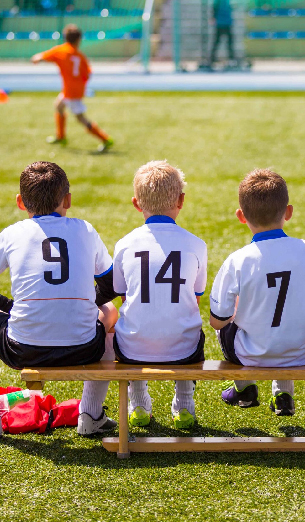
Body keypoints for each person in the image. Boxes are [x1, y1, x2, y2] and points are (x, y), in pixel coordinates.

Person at [0, 161, 118, 435]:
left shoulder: (11, 234)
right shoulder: (85, 229)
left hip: (22, 348)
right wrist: (88, 302)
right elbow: (111, 284)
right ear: (67, 200)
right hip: (84, 346)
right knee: (110, 312)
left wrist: (8, 306)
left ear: (20, 202)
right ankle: (90, 414)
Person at [210, 169, 305, 416]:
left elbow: (217, 321)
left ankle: (244, 388)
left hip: (251, 355)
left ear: (241, 216)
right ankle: (283, 393)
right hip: (302, 353)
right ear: (288, 212)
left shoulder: (237, 260)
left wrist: (237, 312)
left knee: (228, 319)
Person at [113, 161, 207, 429]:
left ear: (136, 203)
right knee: (188, 322)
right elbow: (196, 297)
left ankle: (139, 404)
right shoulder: (196, 244)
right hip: (183, 350)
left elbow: (123, 296)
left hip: (133, 349)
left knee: (130, 320)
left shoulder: (125, 244)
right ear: (181, 200)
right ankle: (184, 404)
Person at [31, 24, 113, 152]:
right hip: (74, 90)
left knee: (81, 118)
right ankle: (61, 136)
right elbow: (88, 73)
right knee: (59, 106)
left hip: (71, 92)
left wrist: (37, 58)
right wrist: (81, 83)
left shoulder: (61, 50)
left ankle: (105, 139)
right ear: (78, 40)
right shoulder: (80, 56)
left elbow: (42, 56)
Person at [210, 0, 235, 67]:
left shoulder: (227, 2)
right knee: (217, 42)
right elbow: (214, 8)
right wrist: (214, 18)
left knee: (229, 42)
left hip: (227, 22)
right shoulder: (218, 2)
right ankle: (212, 59)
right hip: (220, 23)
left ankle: (231, 59)